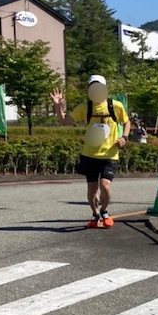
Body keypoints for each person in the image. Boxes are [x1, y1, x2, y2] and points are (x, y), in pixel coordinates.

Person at [51, 75, 130, 228]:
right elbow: (64, 122)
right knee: (92, 189)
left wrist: (124, 138)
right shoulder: (85, 107)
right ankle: (95, 214)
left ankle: (104, 211)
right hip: (89, 154)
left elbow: (126, 122)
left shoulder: (115, 106)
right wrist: (58, 106)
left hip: (109, 154)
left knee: (105, 185)